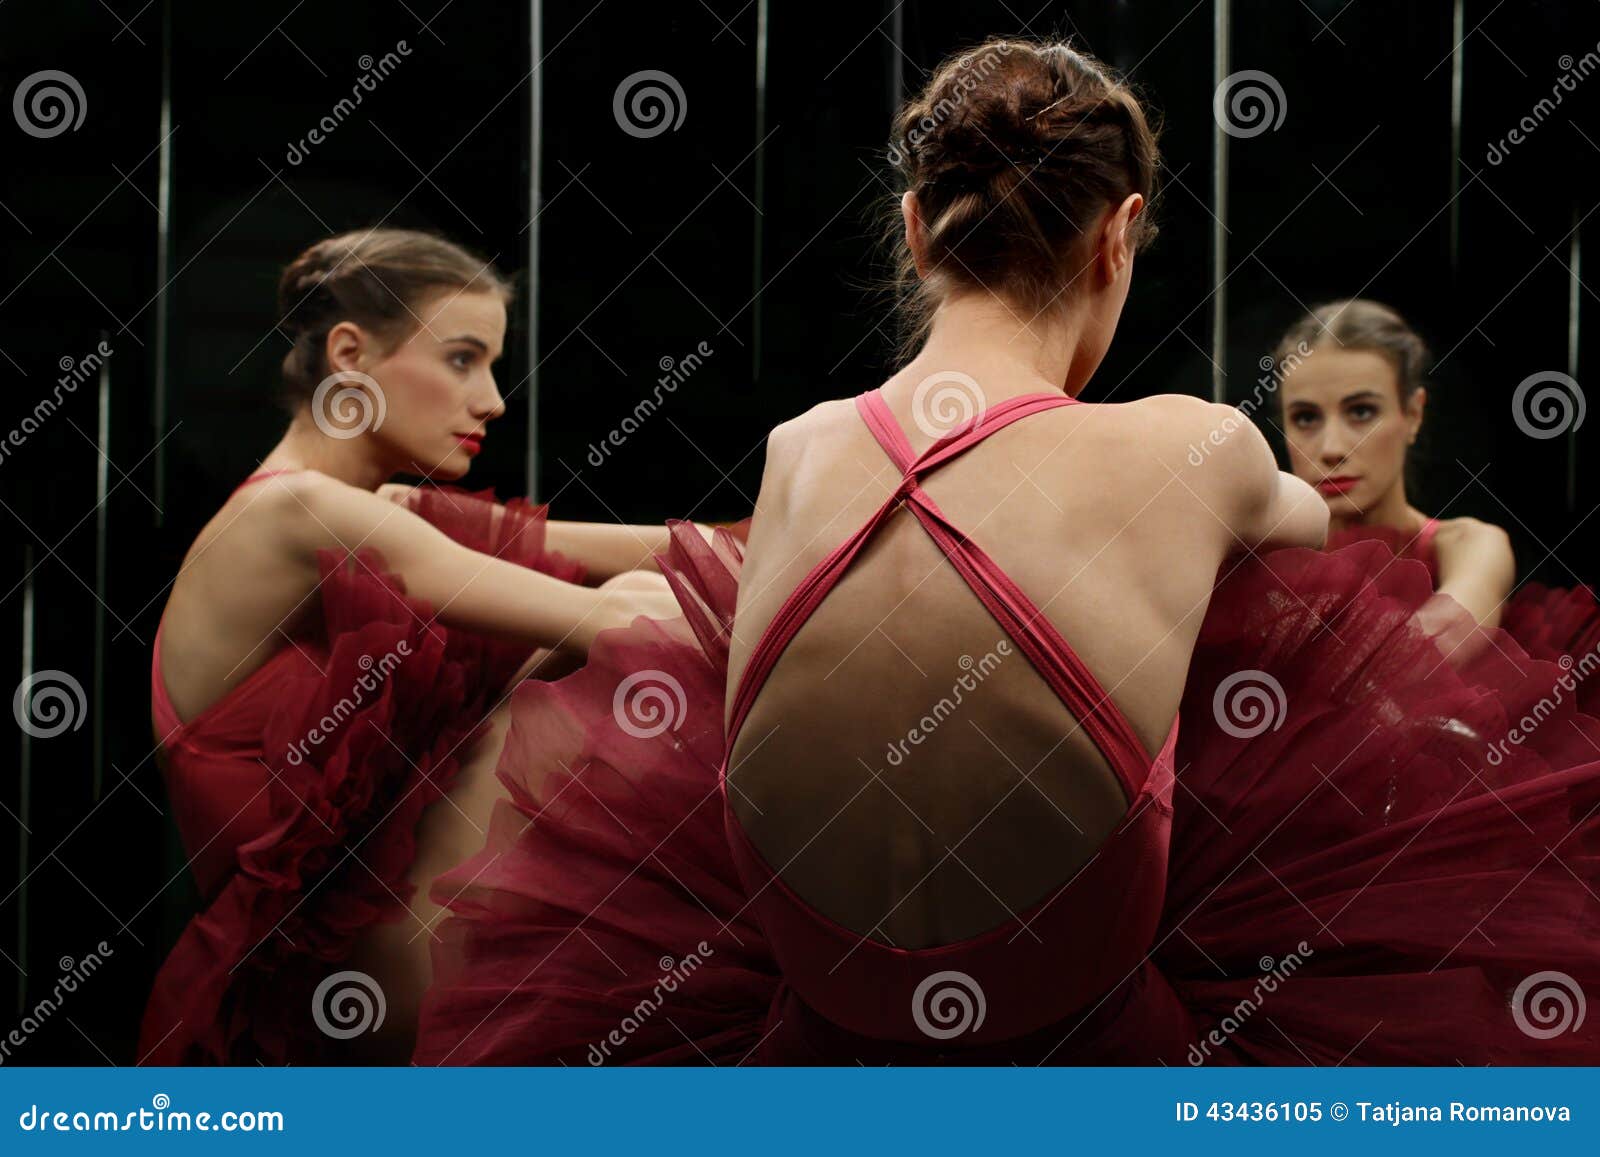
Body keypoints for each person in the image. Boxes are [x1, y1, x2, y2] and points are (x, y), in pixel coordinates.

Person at [413, 40, 1600, 1066]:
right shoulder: (1199, 447)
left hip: (797, 1050)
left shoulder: (797, 451)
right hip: (1089, 1060)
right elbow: (1323, 559)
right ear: (1120, 233)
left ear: (919, 227)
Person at [139, 228, 688, 1064]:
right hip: (329, 984)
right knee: (631, 628)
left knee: (660, 607)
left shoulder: (353, 514)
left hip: (353, 970)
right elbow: (618, 620)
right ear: (351, 353)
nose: (495, 400)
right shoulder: (293, 515)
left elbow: (690, 555)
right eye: (463, 359)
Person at [1277, 299, 1600, 674]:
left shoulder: (1469, 544)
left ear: (1413, 414)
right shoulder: (1255, 561)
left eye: (1361, 411)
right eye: (1305, 418)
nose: (1331, 448)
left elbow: (1431, 653)